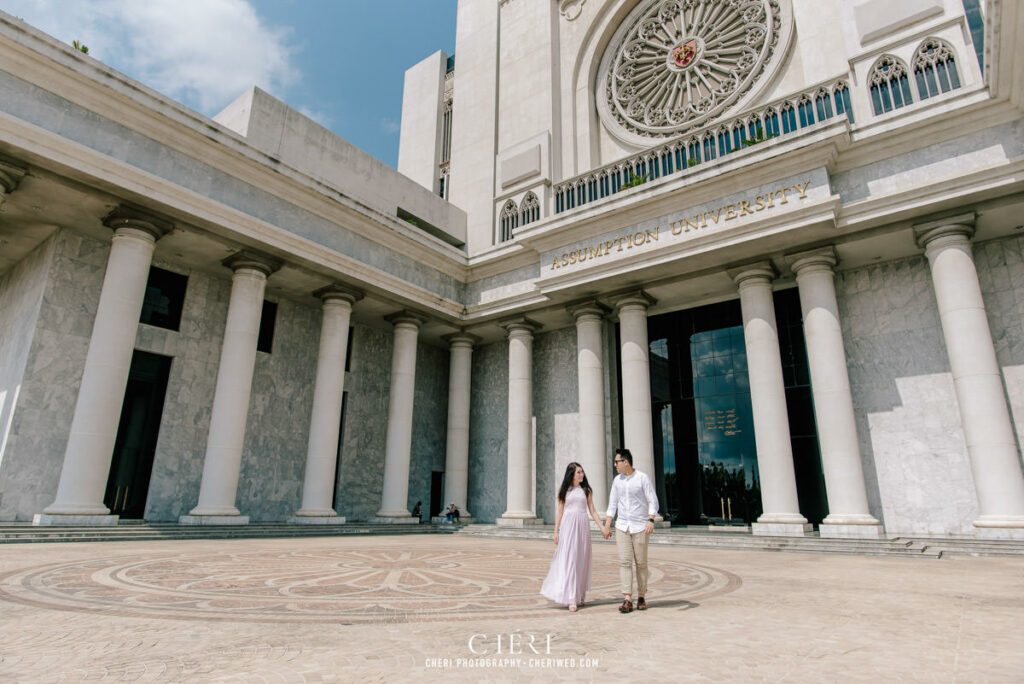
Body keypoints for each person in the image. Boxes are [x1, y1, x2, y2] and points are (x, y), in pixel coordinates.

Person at [540, 461, 606, 612]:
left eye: (582, 472)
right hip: (568, 528)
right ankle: (571, 597)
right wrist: (556, 531)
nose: (581, 474)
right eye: (578, 472)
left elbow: (593, 511)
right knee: (570, 560)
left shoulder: (586, 490)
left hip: (582, 527)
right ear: (572, 475)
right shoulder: (564, 491)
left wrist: (602, 527)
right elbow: (560, 512)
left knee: (581, 560)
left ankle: (580, 594)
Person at [603, 447, 658, 614]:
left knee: (641, 563)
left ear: (625, 462)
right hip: (622, 527)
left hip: (640, 526)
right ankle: (627, 598)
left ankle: (641, 596)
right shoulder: (617, 481)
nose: (615, 465)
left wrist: (651, 519)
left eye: (617, 462)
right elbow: (612, 504)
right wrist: (607, 524)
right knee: (625, 563)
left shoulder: (642, 478)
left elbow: (653, 500)